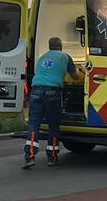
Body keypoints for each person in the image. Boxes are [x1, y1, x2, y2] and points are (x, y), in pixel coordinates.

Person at [23, 37, 81, 169]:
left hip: (36, 91)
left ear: (49, 47)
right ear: (61, 46)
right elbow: (75, 76)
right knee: (53, 125)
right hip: (52, 92)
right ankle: (52, 156)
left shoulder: (42, 57)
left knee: (34, 124)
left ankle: (29, 156)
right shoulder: (65, 57)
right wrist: (77, 69)